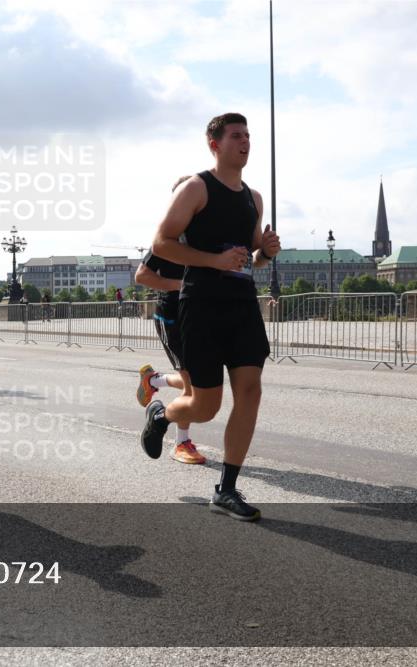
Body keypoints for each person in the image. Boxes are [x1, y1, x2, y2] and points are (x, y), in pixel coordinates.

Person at [143, 112, 281, 522]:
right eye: (237, 136)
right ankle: (161, 413)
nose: (246, 142)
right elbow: (162, 243)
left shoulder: (252, 198)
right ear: (214, 144)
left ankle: (226, 489)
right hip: (201, 303)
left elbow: (251, 257)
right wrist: (213, 259)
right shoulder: (196, 188)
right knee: (204, 406)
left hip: (241, 304)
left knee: (251, 391)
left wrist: (266, 251)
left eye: (248, 136)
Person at [135, 175, 205, 465]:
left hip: (200, 315)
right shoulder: (167, 238)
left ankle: (155, 380)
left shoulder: (205, 238)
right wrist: (180, 286)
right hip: (172, 316)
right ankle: (182, 442)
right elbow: (141, 276)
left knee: (199, 384)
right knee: (193, 386)